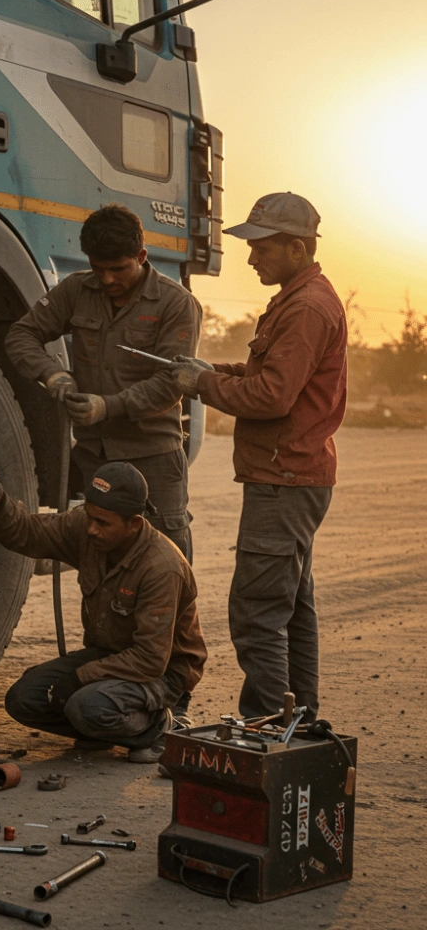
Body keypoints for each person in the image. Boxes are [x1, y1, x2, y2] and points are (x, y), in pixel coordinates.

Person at [168, 192, 346, 721]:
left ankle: (267, 728)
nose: (251, 258)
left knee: (257, 614)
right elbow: (268, 375)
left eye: (261, 248)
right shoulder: (300, 298)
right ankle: (297, 725)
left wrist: (201, 385)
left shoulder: (306, 308)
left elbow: (272, 396)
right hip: (295, 474)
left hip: (284, 478)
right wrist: (212, 371)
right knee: (291, 610)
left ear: (297, 248)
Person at [5, 203, 202, 563]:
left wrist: (107, 407)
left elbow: (170, 384)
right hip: (96, 457)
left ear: (141, 256)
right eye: (98, 269)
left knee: (164, 558)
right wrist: (52, 374)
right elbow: (21, 335)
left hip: (153, 455)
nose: (107, 280)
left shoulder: (176, 304)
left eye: (118, 269)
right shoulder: (76, 290)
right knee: (103, 554)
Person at [0, 462, 206, 762]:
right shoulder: (87, 526)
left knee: (86, 706)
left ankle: (162, 727)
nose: (92, 529)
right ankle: (102, 728)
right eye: (89, 516)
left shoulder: (161, 568)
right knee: (23, 699)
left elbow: (150, 659)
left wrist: (81, 677)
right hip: (110, 656)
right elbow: (29, 533)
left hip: (163, 672)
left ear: (134, 524)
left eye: (103, 523)